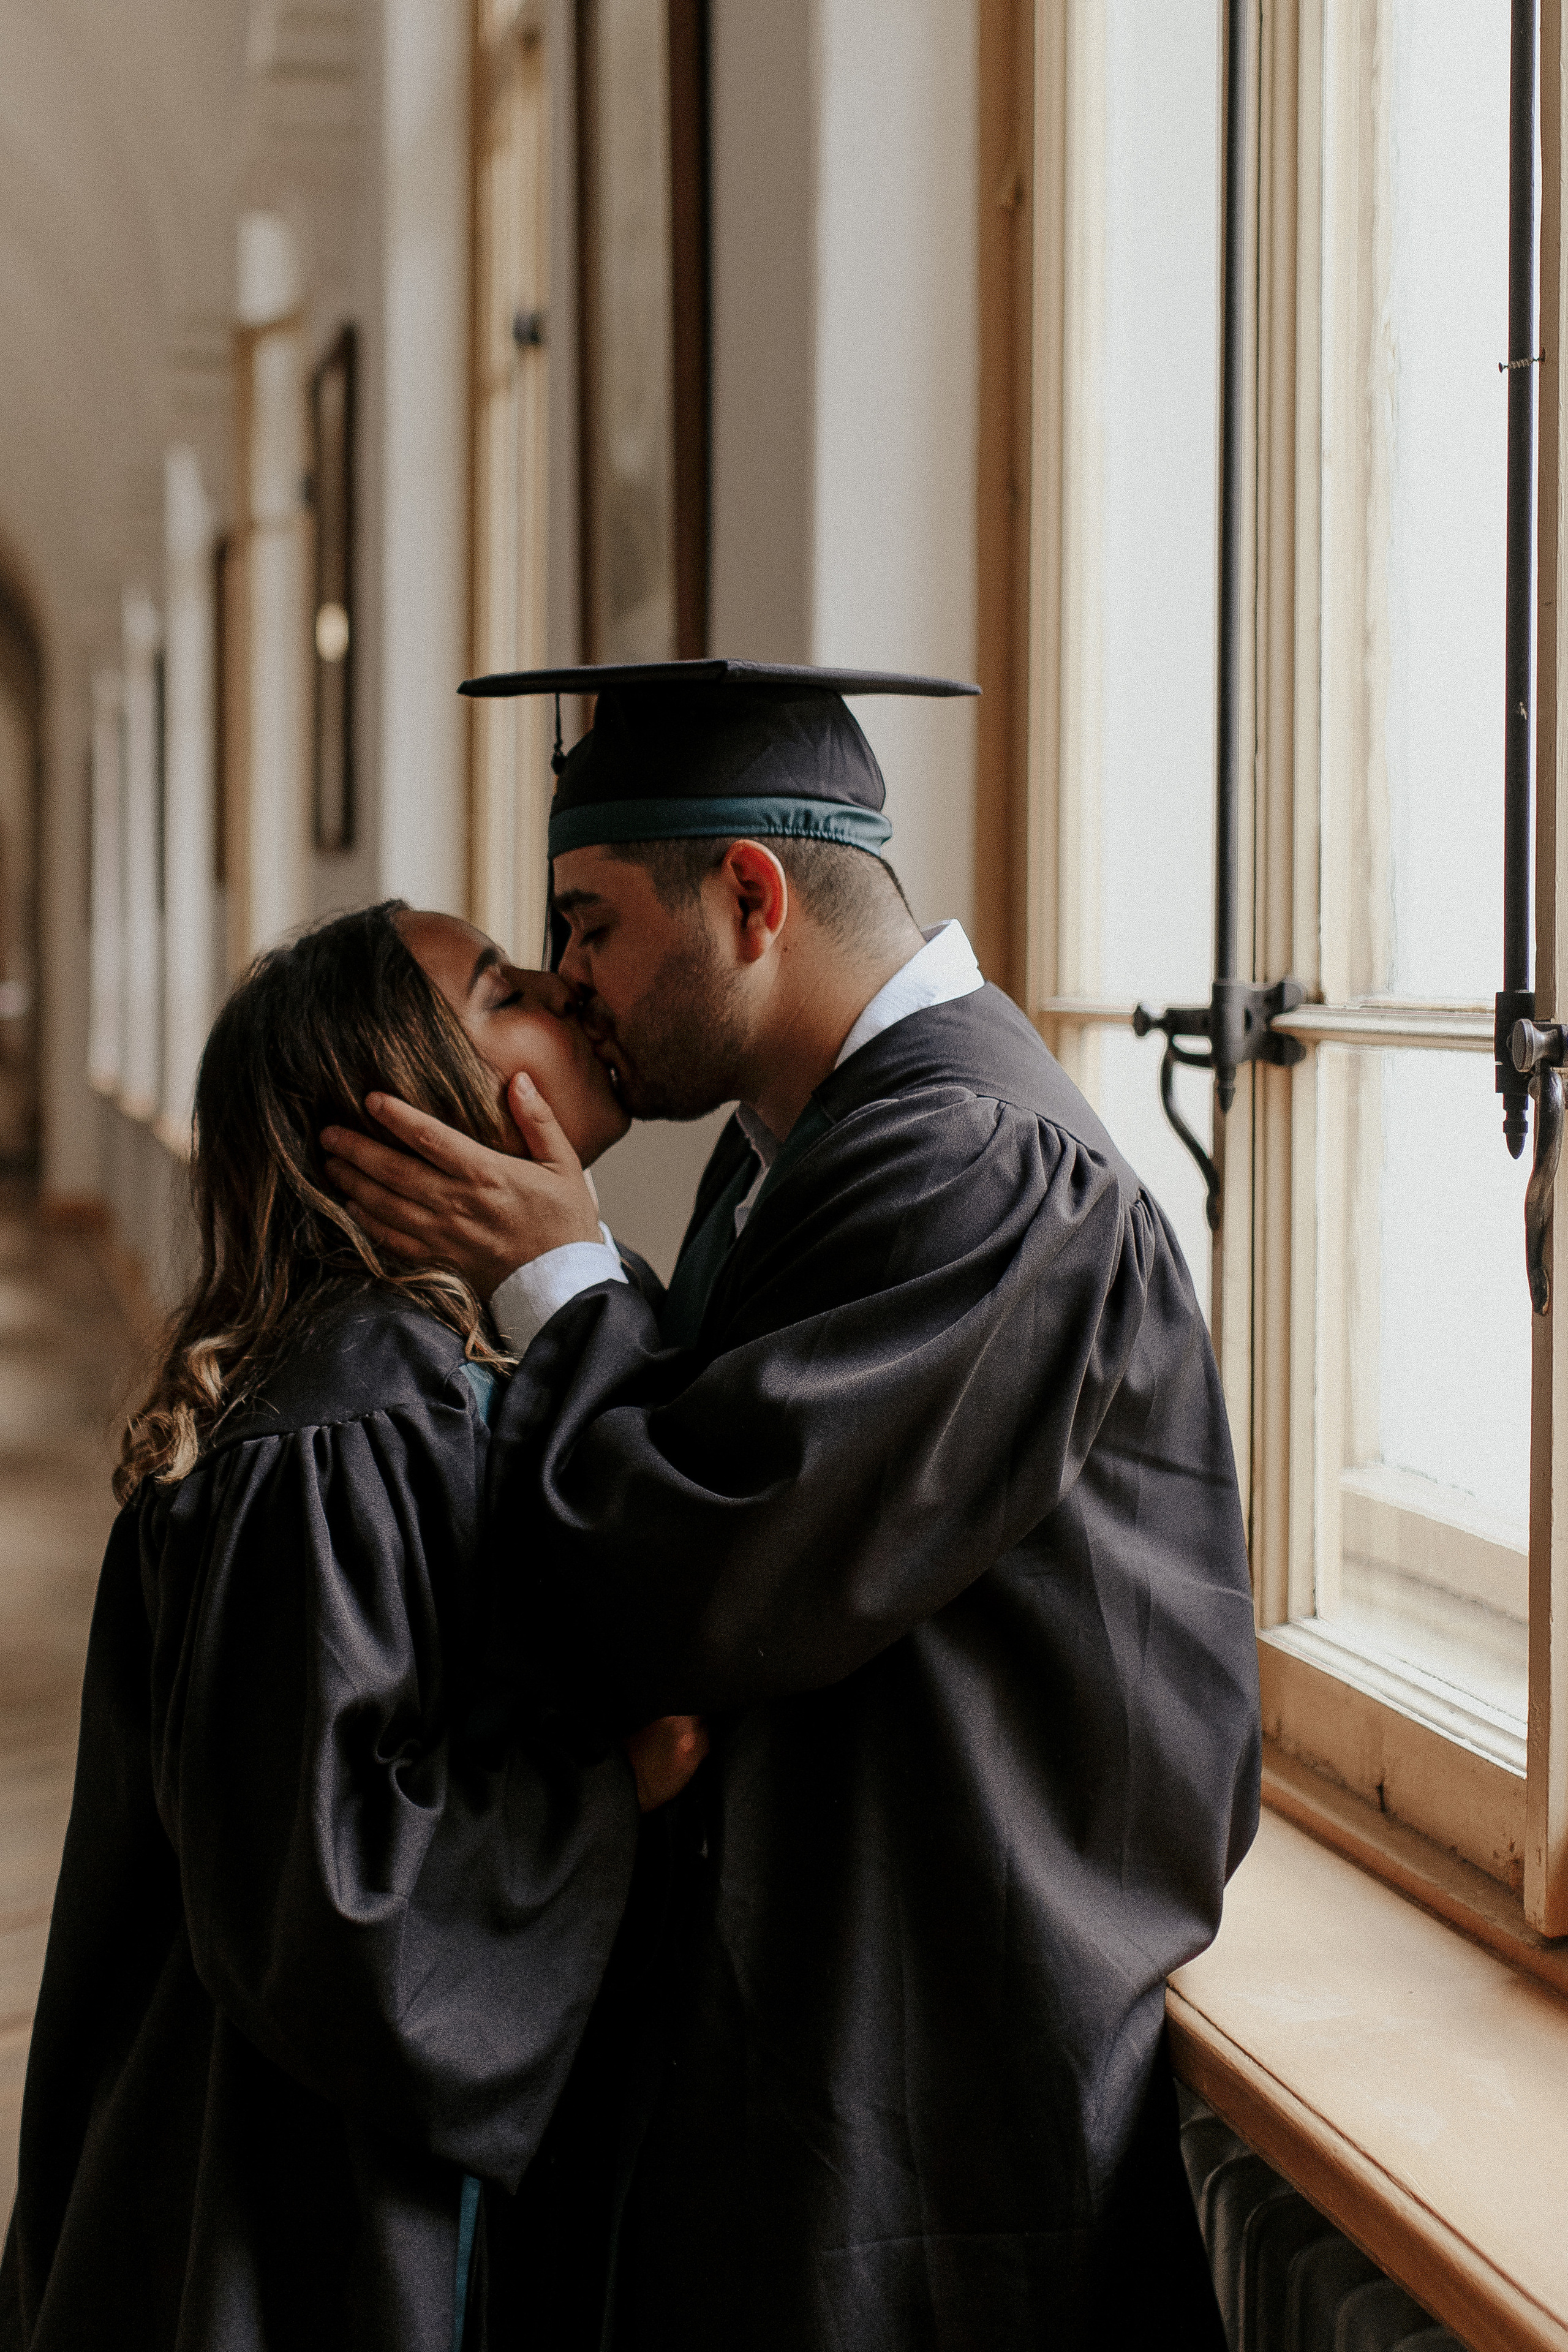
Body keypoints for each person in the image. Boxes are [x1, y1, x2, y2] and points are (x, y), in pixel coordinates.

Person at [323, 662, 1264, 2351]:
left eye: (592, 927)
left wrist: (555, 1280)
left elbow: (691, 1579)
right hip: (805, 2016)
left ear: (750, 896)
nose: (578, 987)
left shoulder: (979, 1164)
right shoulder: (796, 1153)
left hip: (932, 2047)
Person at [0, 899, 706, 2352]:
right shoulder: (345, 1419)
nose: (565, 1000)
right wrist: (607, 1792)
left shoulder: (472, 1350)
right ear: (399, 1118)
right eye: (503, 990)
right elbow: (324, 1896)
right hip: (307, 2190)